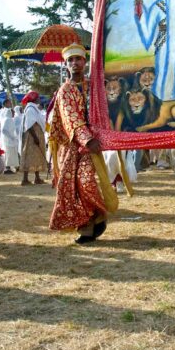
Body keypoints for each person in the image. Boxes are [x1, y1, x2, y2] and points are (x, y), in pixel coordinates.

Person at [48, 43, 109, 244]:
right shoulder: (65, 90)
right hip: (74, 147)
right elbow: (70, 117)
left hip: (93, 144)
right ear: (66, 65)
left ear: (85, 61)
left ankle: (96, 219)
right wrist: (86, 139)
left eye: (78, 59)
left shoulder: (94, 86)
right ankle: (89, 227)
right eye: (70, 60)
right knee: (76, 187)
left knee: (87, 183)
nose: (75, 63)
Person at [20, 91, 47, 185]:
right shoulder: (30, 109)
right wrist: (35, 137)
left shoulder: (34, 108)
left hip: (37, 134)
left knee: (37, 156)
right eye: (38, 97)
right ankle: (25, 179)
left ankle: (37, 178)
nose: (39, 99)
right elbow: (29, 125)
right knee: (29, 156)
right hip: (32, 136)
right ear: (34, 98)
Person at [0, 98, 19, 174]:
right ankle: (7, 167)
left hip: (10, 139)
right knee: (8, 153)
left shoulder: (10, 119)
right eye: (12, 113)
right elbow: (4, 130)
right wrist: (11, 137)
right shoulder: (7, 119)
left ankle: (10, 167)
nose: (14, 114)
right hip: (8, 139)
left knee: (10, 153)